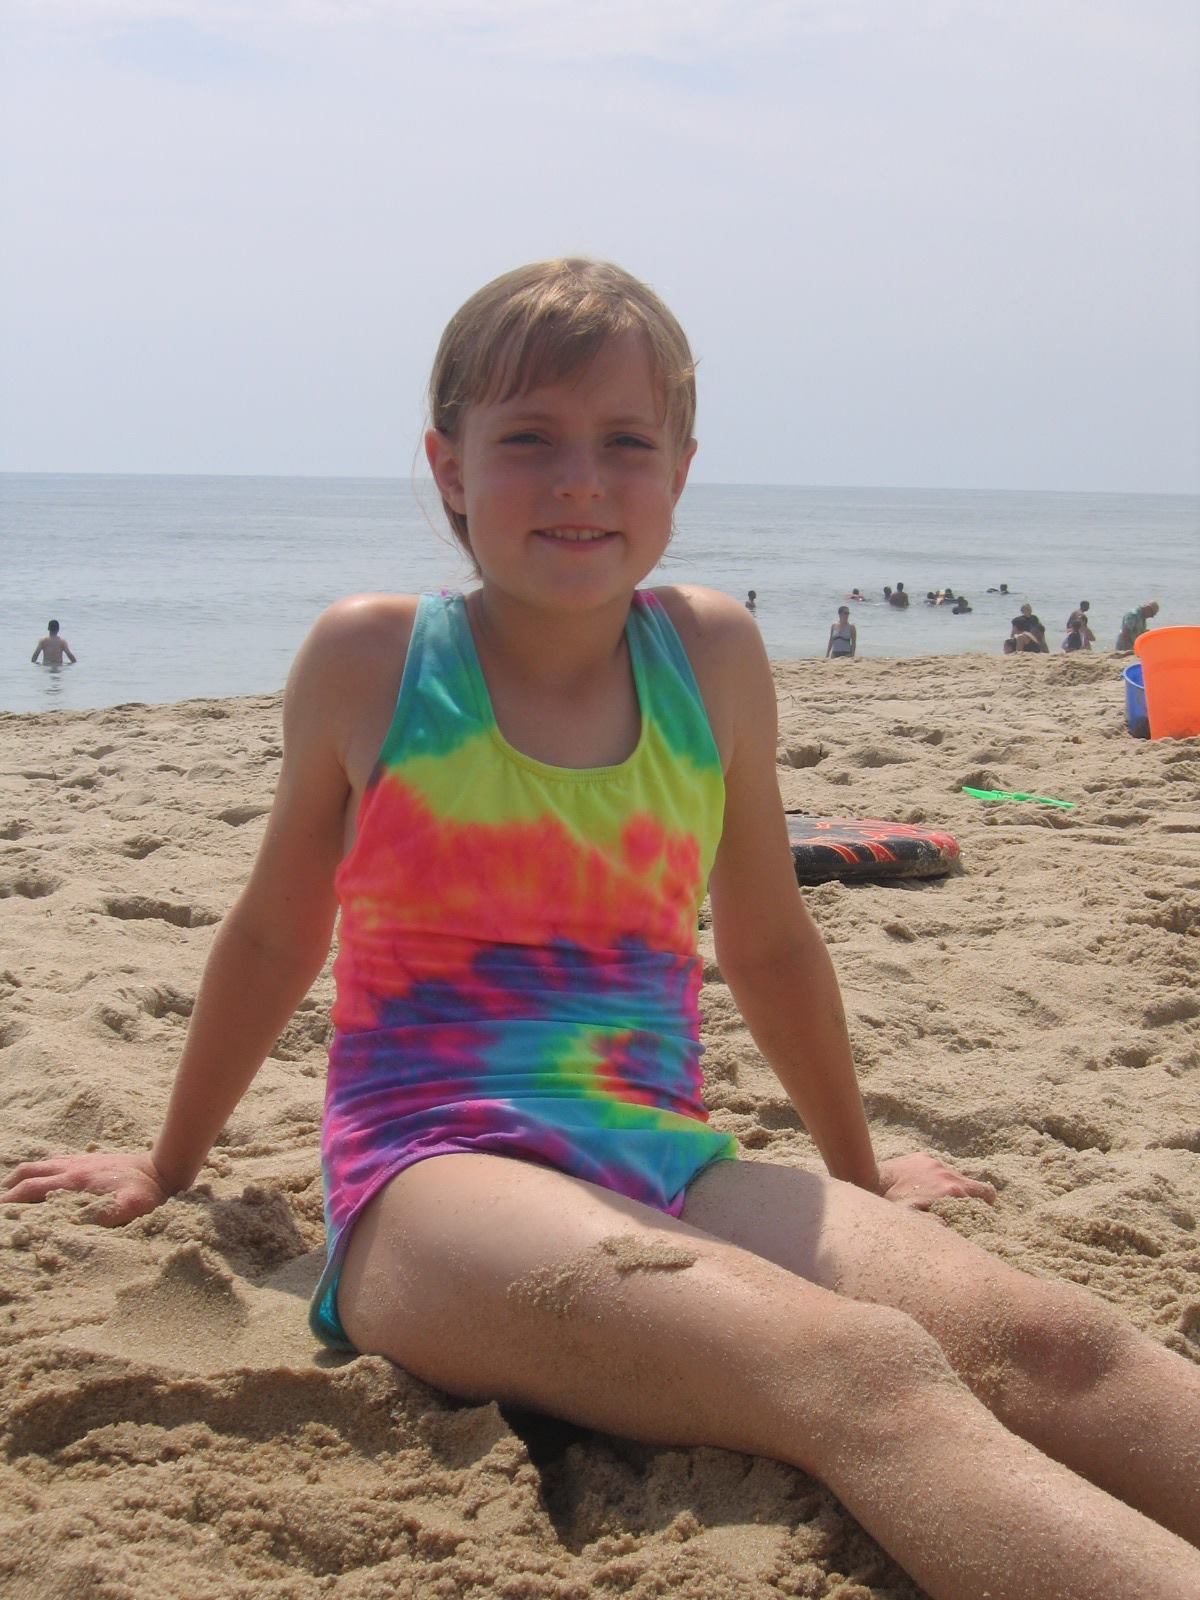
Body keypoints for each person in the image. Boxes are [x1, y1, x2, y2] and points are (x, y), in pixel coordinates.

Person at [5, 259, 1199, 1600]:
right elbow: (277, 937)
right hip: (429, 1175)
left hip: (661, 1151)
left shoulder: (713, 658)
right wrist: (170, 1164)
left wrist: (859, 1172)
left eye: (625, 442)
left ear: (682, 468)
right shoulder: (374, 661)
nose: (581, 479)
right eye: (528, 440)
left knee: (1048, 1340)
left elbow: (768, 946)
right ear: (447, 466)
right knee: (863, 1373)